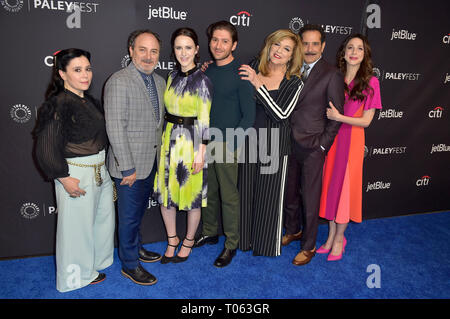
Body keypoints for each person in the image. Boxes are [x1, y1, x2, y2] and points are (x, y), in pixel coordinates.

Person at [33, 48, 115, 292]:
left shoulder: (88, 100)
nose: (85, 75)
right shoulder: (57, 103)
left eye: (87, 69)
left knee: (101, 222)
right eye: (77, 70)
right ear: (62, 74)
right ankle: (75, 278)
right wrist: (63, 177)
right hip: (75, 174)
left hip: (99, 170)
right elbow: (45, 146)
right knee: (76, 230)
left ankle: (95, 264)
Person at [104, 29, 165, 285]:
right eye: (143, 50)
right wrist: (127, 168)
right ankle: (130, 264)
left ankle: (136, 248)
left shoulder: (161, 82)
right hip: (128, 167)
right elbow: (115, 127)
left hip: (149, 162)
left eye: (154, 51)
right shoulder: (119, 80)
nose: (148, 57)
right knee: (128, 217)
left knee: (138, 213)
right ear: (131, 51)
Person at [194, 20, 255, 268]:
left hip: (227, 144)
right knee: (209, 192)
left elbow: (248, 117)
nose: (218, 45)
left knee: (229, 196)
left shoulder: (241, 73)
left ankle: (231, 244)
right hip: (204, 142)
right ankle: (209, 231)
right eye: (215, 40)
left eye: (225, 41)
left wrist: (231, 144)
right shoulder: (206, 70)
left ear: (234, 44)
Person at [237, 29, 304, 256]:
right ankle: (244, 241)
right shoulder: (255, 65)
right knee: (245, 195)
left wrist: (258, 85)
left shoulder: (294, 82)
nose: (279, 51)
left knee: (269, 200)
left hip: (274, 146)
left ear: (292, 56)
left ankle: (265, 245)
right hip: (249, 142)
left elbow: (281, 113)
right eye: (276, 45)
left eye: (286, 49)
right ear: (269, 45)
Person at [283, 24, 345, 266]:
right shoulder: (292, 68)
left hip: (312, 147)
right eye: (305, 43)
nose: (309, 49)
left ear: (323, 46)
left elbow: (336, 116)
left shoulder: (331, 74)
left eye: (314, 44)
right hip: (288, 142)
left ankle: (308, 246)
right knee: (289, 194)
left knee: (309, 198)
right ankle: (292, 230)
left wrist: (322, 146)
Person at [317, 34, 382, 261]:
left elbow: (366, 121)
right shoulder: (335, 77)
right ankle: (331, 235)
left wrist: (339, 116)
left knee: (344, 192)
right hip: (333, 140)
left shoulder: (371, 81)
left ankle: (338, 239)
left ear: (365, 55)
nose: (354, 52)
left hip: (352, 141)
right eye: (350, 48)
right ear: (343, 52)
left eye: (360, 49)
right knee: (332, 189)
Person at [154, 27, 213, 264]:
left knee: (191, 196)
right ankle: (172, 239)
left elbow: (205, 119)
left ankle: (188, 240)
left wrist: (201, 152)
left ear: (197, 50)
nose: (183, 52)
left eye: (188, 47)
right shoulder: (171, 77)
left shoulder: (203, 80)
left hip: (191, 143)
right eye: (179, 47)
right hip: (168, 140)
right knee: (166, 195)